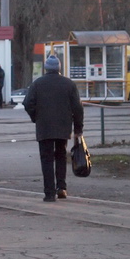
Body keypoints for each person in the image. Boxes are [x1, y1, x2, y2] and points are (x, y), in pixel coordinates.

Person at [23, 54, 84, 202]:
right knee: (61, 156)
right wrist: (78, 129)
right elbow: (77, 108)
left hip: (44, 127)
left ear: (46, 68)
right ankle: (61, 187)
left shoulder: (38, 84)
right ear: (59, 68)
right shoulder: (69, 84)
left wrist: (35, 117)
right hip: (63, 127)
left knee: (47, 158)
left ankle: (49, 193)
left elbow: (27, 103)